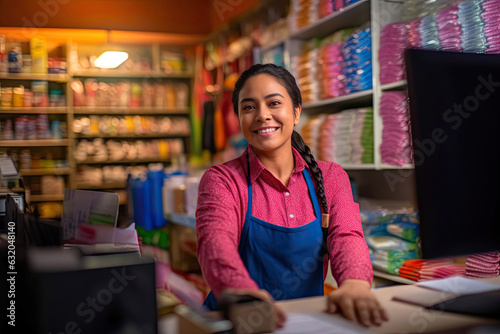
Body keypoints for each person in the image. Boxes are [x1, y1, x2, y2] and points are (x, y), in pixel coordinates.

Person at [196, 63, 388, 328]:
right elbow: (215, 244)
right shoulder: (222, 180)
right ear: (239, 118)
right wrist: (242, 295)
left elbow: (347, 237)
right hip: (236, 322)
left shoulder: (331, 177)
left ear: (296, 112)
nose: (262, 115)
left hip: (304, 323)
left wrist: (355, 284)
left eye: (274, 103)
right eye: (249, 107)